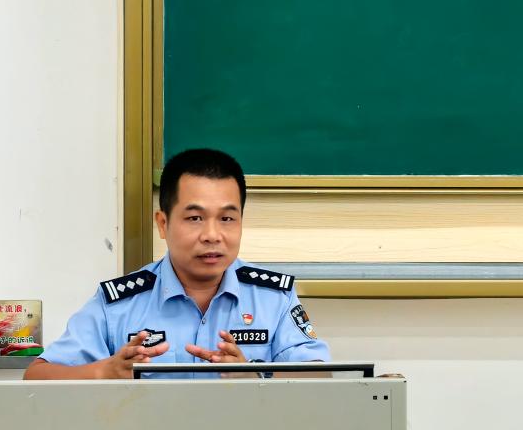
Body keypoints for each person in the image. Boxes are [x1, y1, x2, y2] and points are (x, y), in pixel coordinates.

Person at [23, 148, 330, 379]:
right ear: (163, 223)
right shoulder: (118, 304)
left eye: (227, 219)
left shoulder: (273, 298)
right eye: (195, 218)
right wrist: (104, 372)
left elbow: (320, 377)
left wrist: (255, 378)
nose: (212, 235)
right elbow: (37, 376)